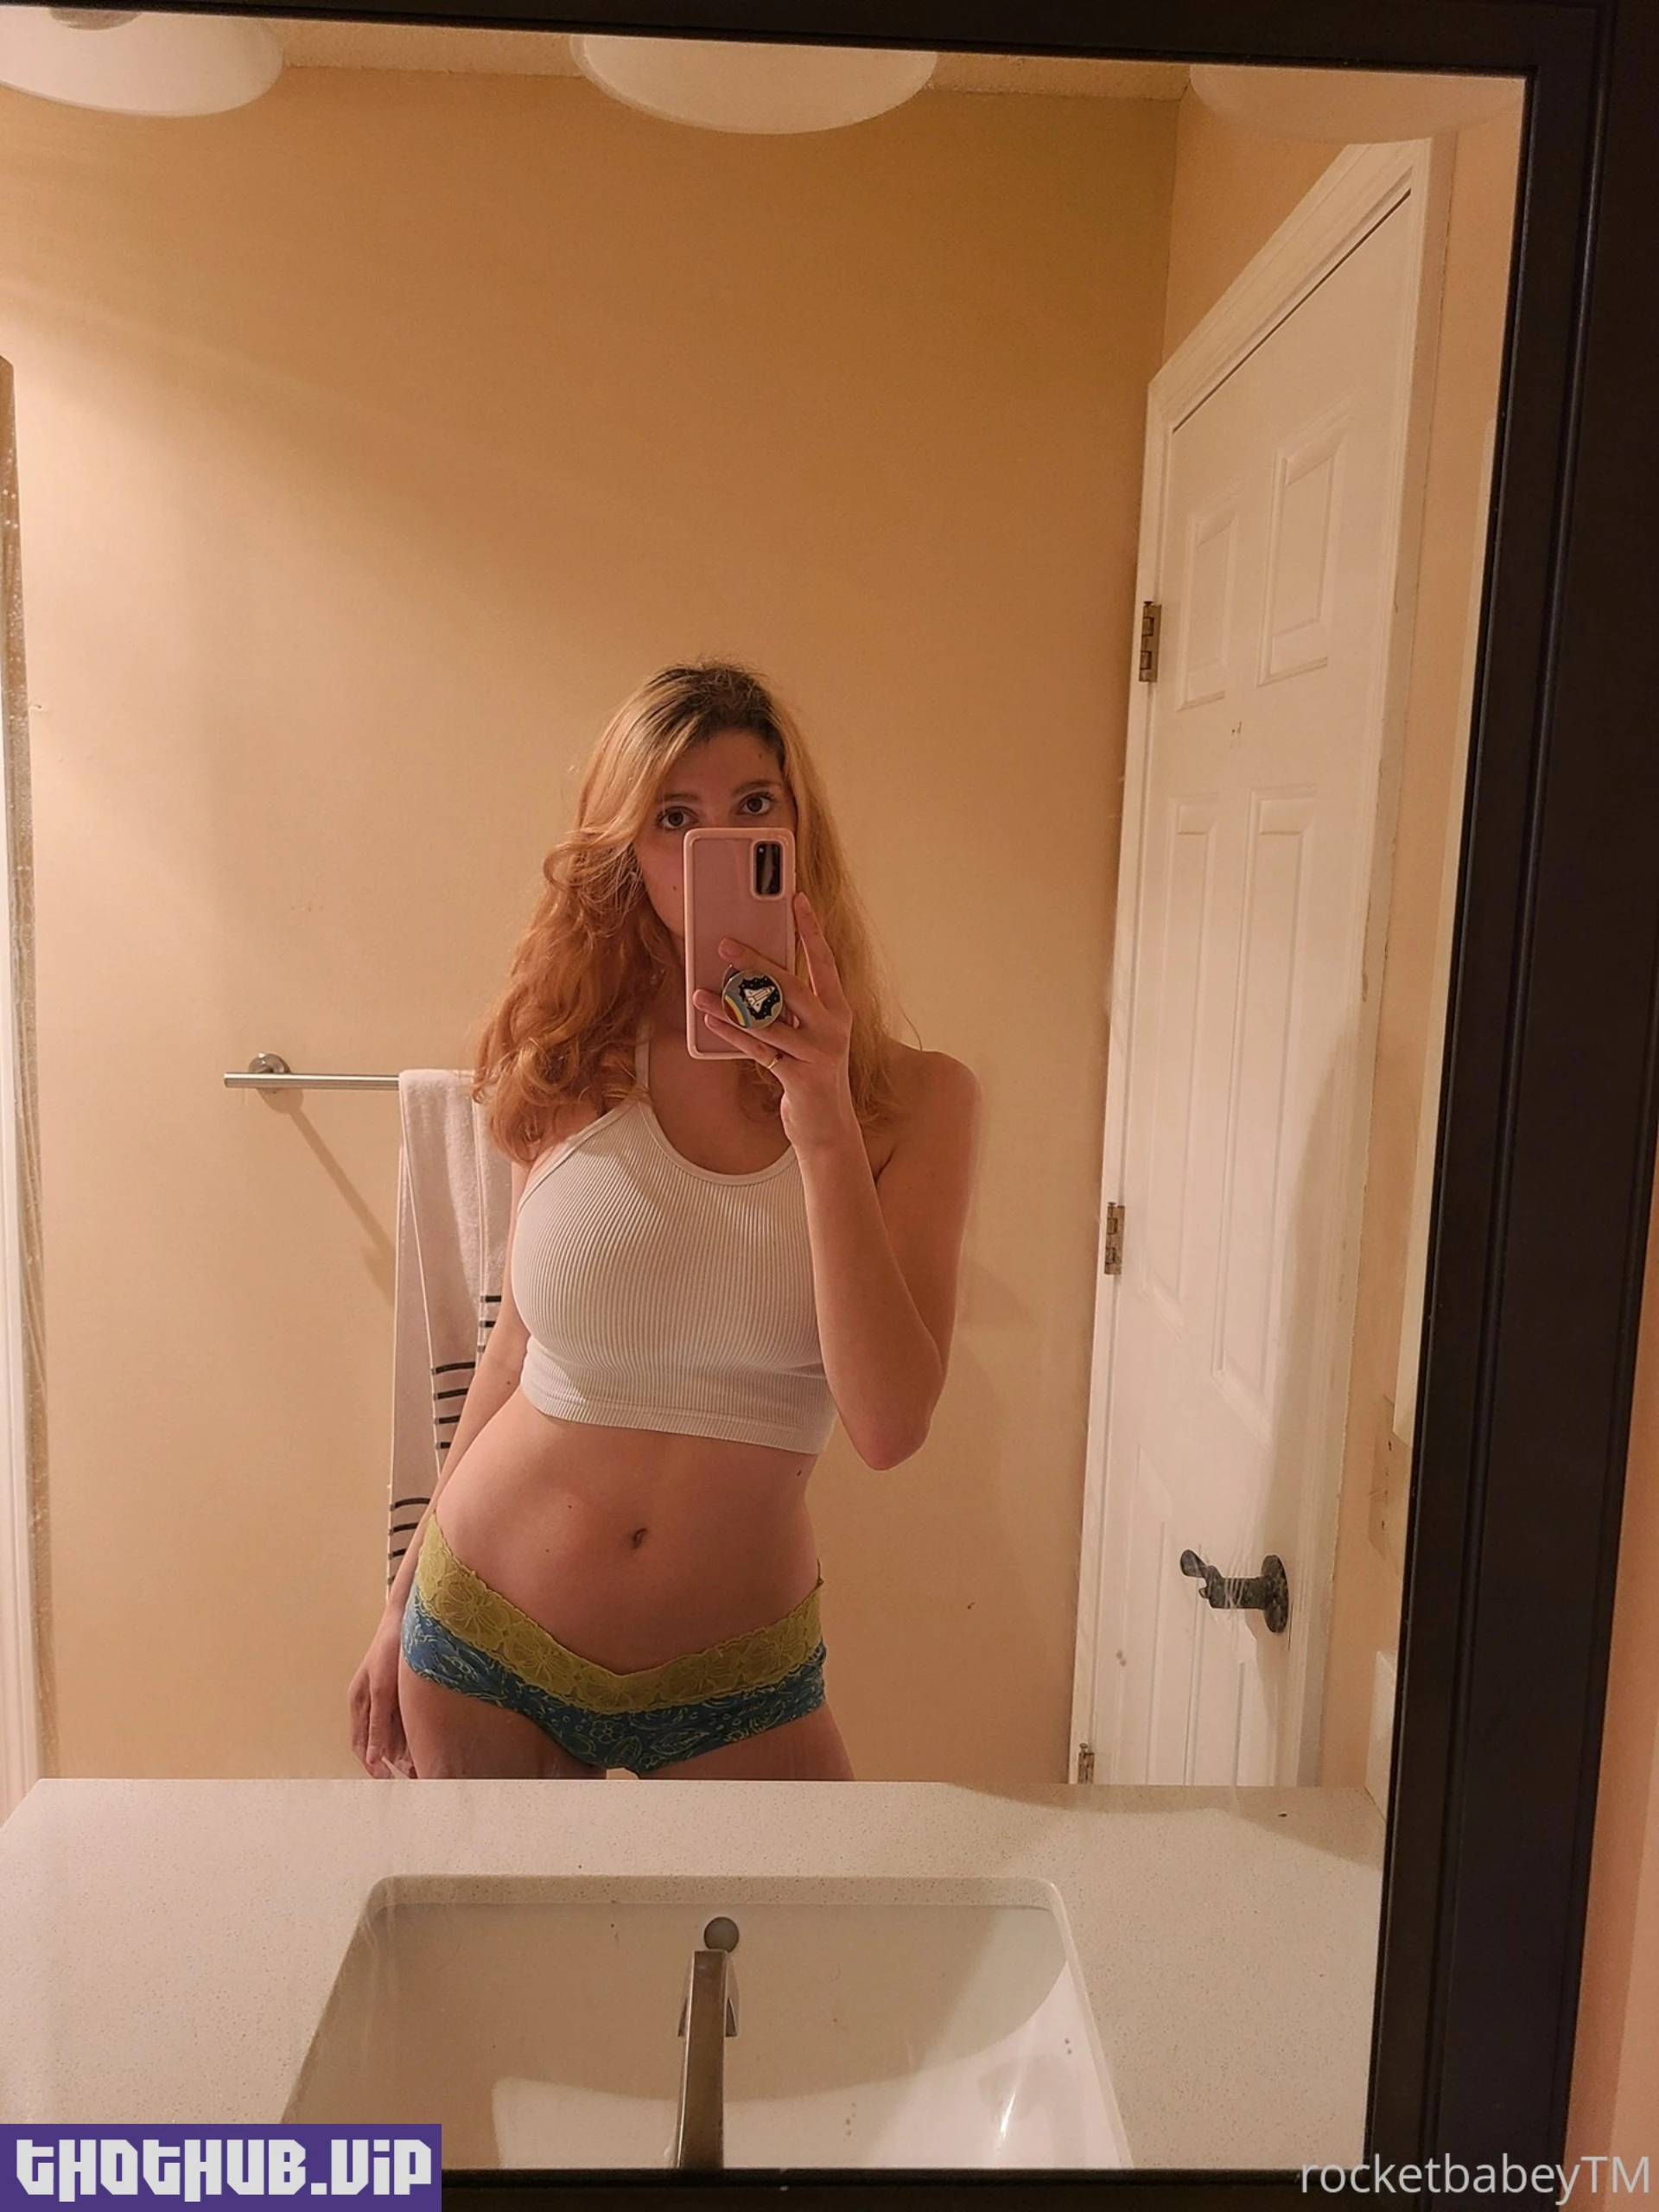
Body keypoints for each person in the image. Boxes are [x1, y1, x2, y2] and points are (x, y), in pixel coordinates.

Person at [347, 661, 978, 1780]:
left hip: (734, 1686)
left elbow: (888, 1427)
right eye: (673, 819)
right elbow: (513, 1350)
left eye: (752, 806)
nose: (708, 846)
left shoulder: (917, 1102)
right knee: (494, 1912)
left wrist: (823, 1121)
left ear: (799, 833)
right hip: (485, 1635)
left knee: (807, 1907)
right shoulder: (574, 1054)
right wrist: (400, 1600)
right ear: (628, 855)